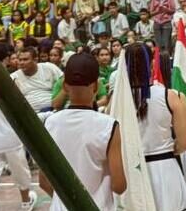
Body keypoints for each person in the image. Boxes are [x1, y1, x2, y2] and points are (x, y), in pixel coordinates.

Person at [41, 53, 126, 210]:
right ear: (95, 86)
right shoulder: (109, 125)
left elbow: (43, 181)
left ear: (65, 86)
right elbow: (119, 185)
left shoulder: (50, 123)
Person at [125, 43, 186, 211]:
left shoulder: (118, 100)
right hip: (165, 169)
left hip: (133, 172)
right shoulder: (170, 96)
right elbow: (184, 143)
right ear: (151, 63)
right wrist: (166, 149)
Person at [0, 44, 37, 211]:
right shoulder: (12, 82)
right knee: (21, 174)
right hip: (11, 138)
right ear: (4, 60)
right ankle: (25, 202)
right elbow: (22, 108)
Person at [13, 46, 64, 114]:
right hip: (31, 115)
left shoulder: (49, 67)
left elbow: (65, 81)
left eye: (25, 59)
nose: (22, 63)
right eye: (20, 60)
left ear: (35, 60)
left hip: (55, 110)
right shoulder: (14, 77)